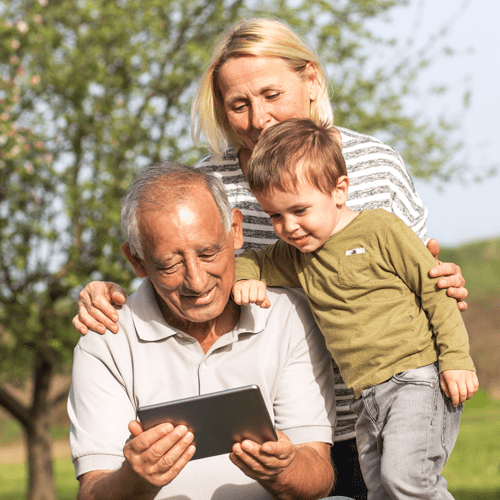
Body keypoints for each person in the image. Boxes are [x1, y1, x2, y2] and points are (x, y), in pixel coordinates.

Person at [71, 18, 469, 499]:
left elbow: (422, 275)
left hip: (385, 388)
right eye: (239, 104)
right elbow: (178, 266)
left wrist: (447, 303)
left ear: (311, 80)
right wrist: (104, 291)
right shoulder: (213, 183)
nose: (259, 119)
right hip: (287, 419)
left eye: (271, 94)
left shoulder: (375, 166)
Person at [68, 162, 350, 500]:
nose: (197, 281)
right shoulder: (105, 340)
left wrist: (284, 470)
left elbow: (317, 471)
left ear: (235, 230)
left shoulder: (287, 316)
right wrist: (135, 479)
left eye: (208, 252)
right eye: (170, 265)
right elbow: (92, 491)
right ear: (137, 262)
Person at [231, 118, 479, 500]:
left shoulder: (380, 228)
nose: (289, 227)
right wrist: (245, 279)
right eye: (275, 216)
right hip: (367, 396)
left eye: (299, 210)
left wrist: (456, 358)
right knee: (378, 491)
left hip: (416, 378)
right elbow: (251, 260)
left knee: (407, 482)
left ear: (339, 190)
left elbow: (435, 292)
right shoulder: (297, 257)